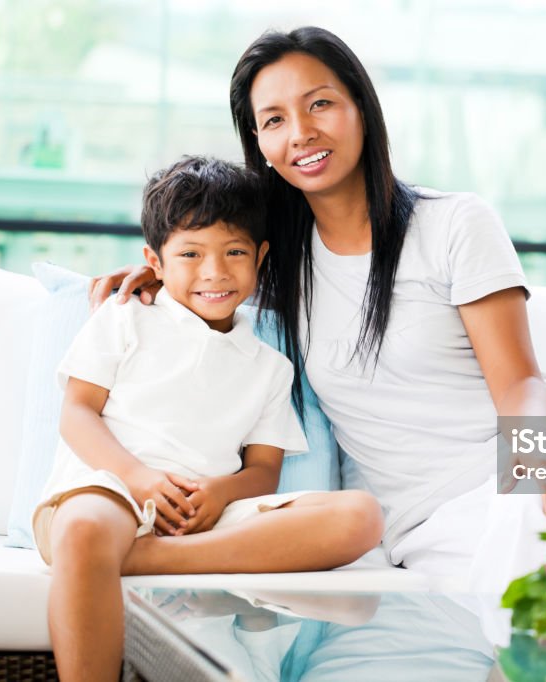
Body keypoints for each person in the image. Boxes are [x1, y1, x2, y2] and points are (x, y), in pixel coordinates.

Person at [90, 26, 546, 590]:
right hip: (429, 517)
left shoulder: (455, 222)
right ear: (259, 143)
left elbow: (520, 380)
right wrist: (158, 281)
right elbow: (205, 280)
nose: (301, 133)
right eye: (275, 120)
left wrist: (542, 452)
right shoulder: (272, 262)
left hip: (544, 458)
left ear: (362, 108)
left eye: (320, 104)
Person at [36, 155, 383, 682]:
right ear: (155, 260)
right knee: (84, 530)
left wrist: (219, 494)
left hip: (208, 517)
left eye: (235, 252)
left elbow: (263, 473)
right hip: (106, 491)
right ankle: (105, 555)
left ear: (261, 256)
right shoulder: (127, 314)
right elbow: (77, 414)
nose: (215, 272)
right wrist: (140, 479)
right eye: (191, 254)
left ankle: (143, 559)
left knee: (361, 517)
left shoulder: (269, 366)